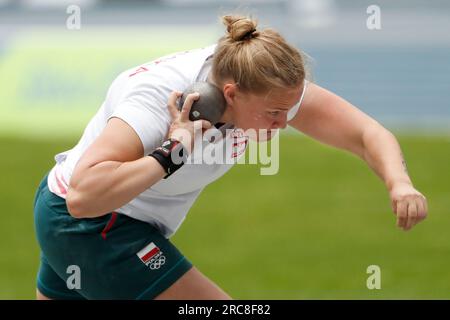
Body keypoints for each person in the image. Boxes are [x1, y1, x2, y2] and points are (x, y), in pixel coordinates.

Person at [33, 14, 428, 300]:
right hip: (92, 225)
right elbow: (83, 198)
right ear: (232, 92)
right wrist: (174, 150)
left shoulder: (265, 82)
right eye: (274, 114)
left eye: (287, 112)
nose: (281, 125)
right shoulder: (156, 99)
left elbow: (366, 134)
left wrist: (399, 182)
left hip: (93, 223)